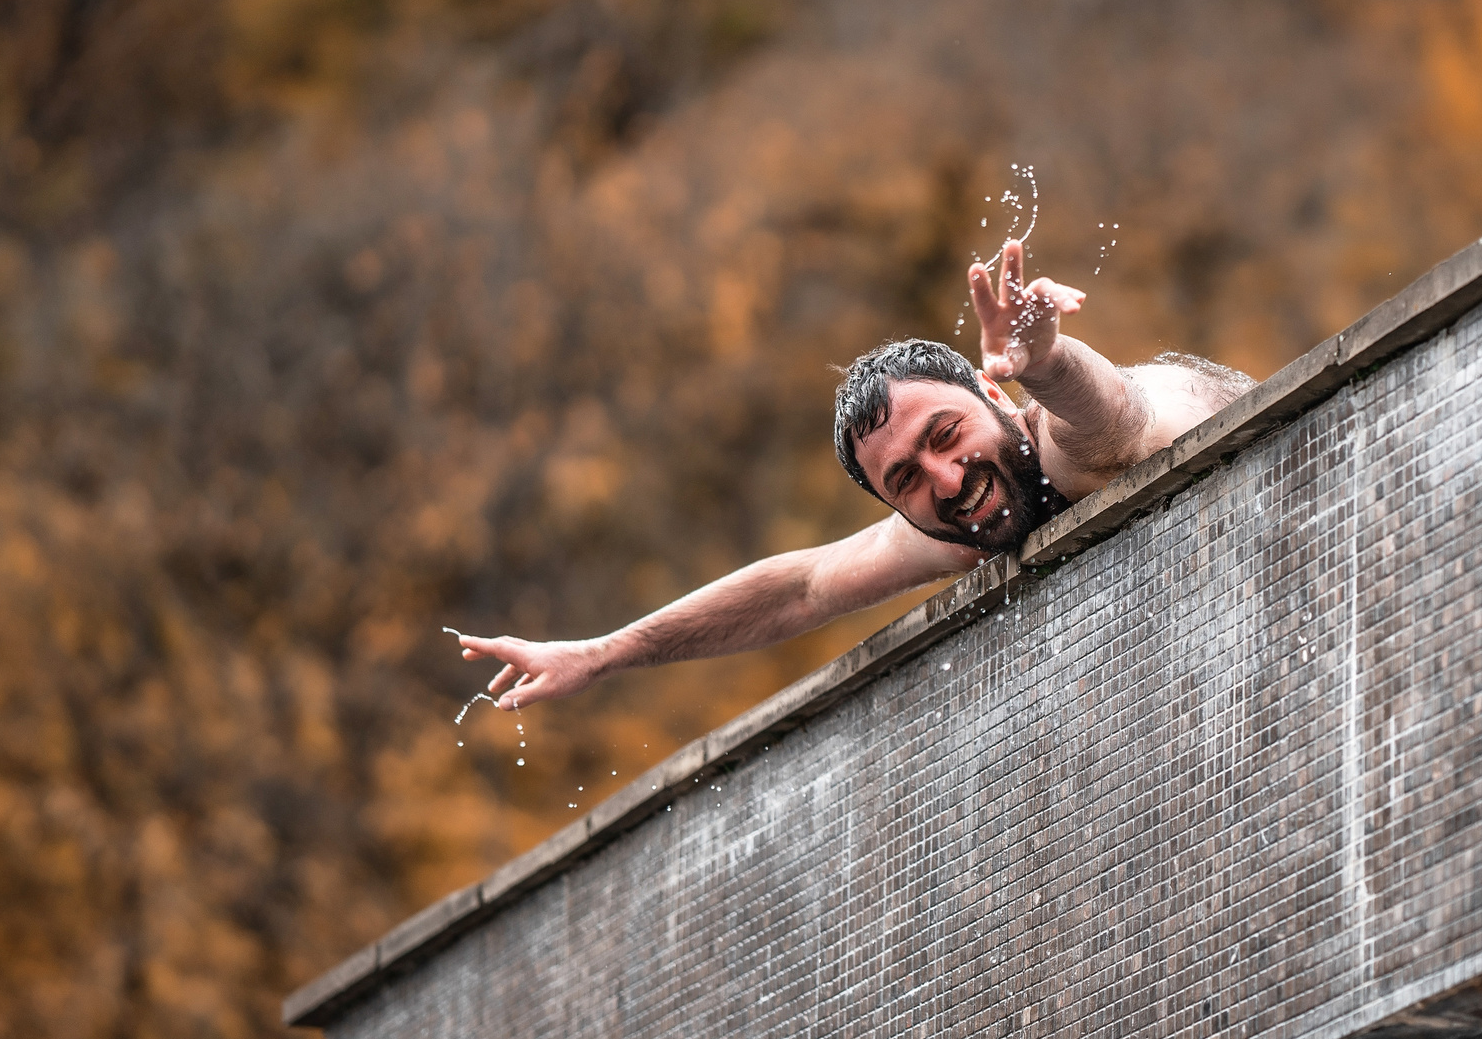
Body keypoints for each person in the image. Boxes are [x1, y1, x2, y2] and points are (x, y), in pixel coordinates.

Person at [454, 237, 1251, 703]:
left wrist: (1044, 360)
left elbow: (1114, 418)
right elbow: (798, 588)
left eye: (946, 434)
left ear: (993, 395)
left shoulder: (1053, 441)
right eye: (904, 479)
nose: (944, 479)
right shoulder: (957, 524)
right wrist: (603, 653)